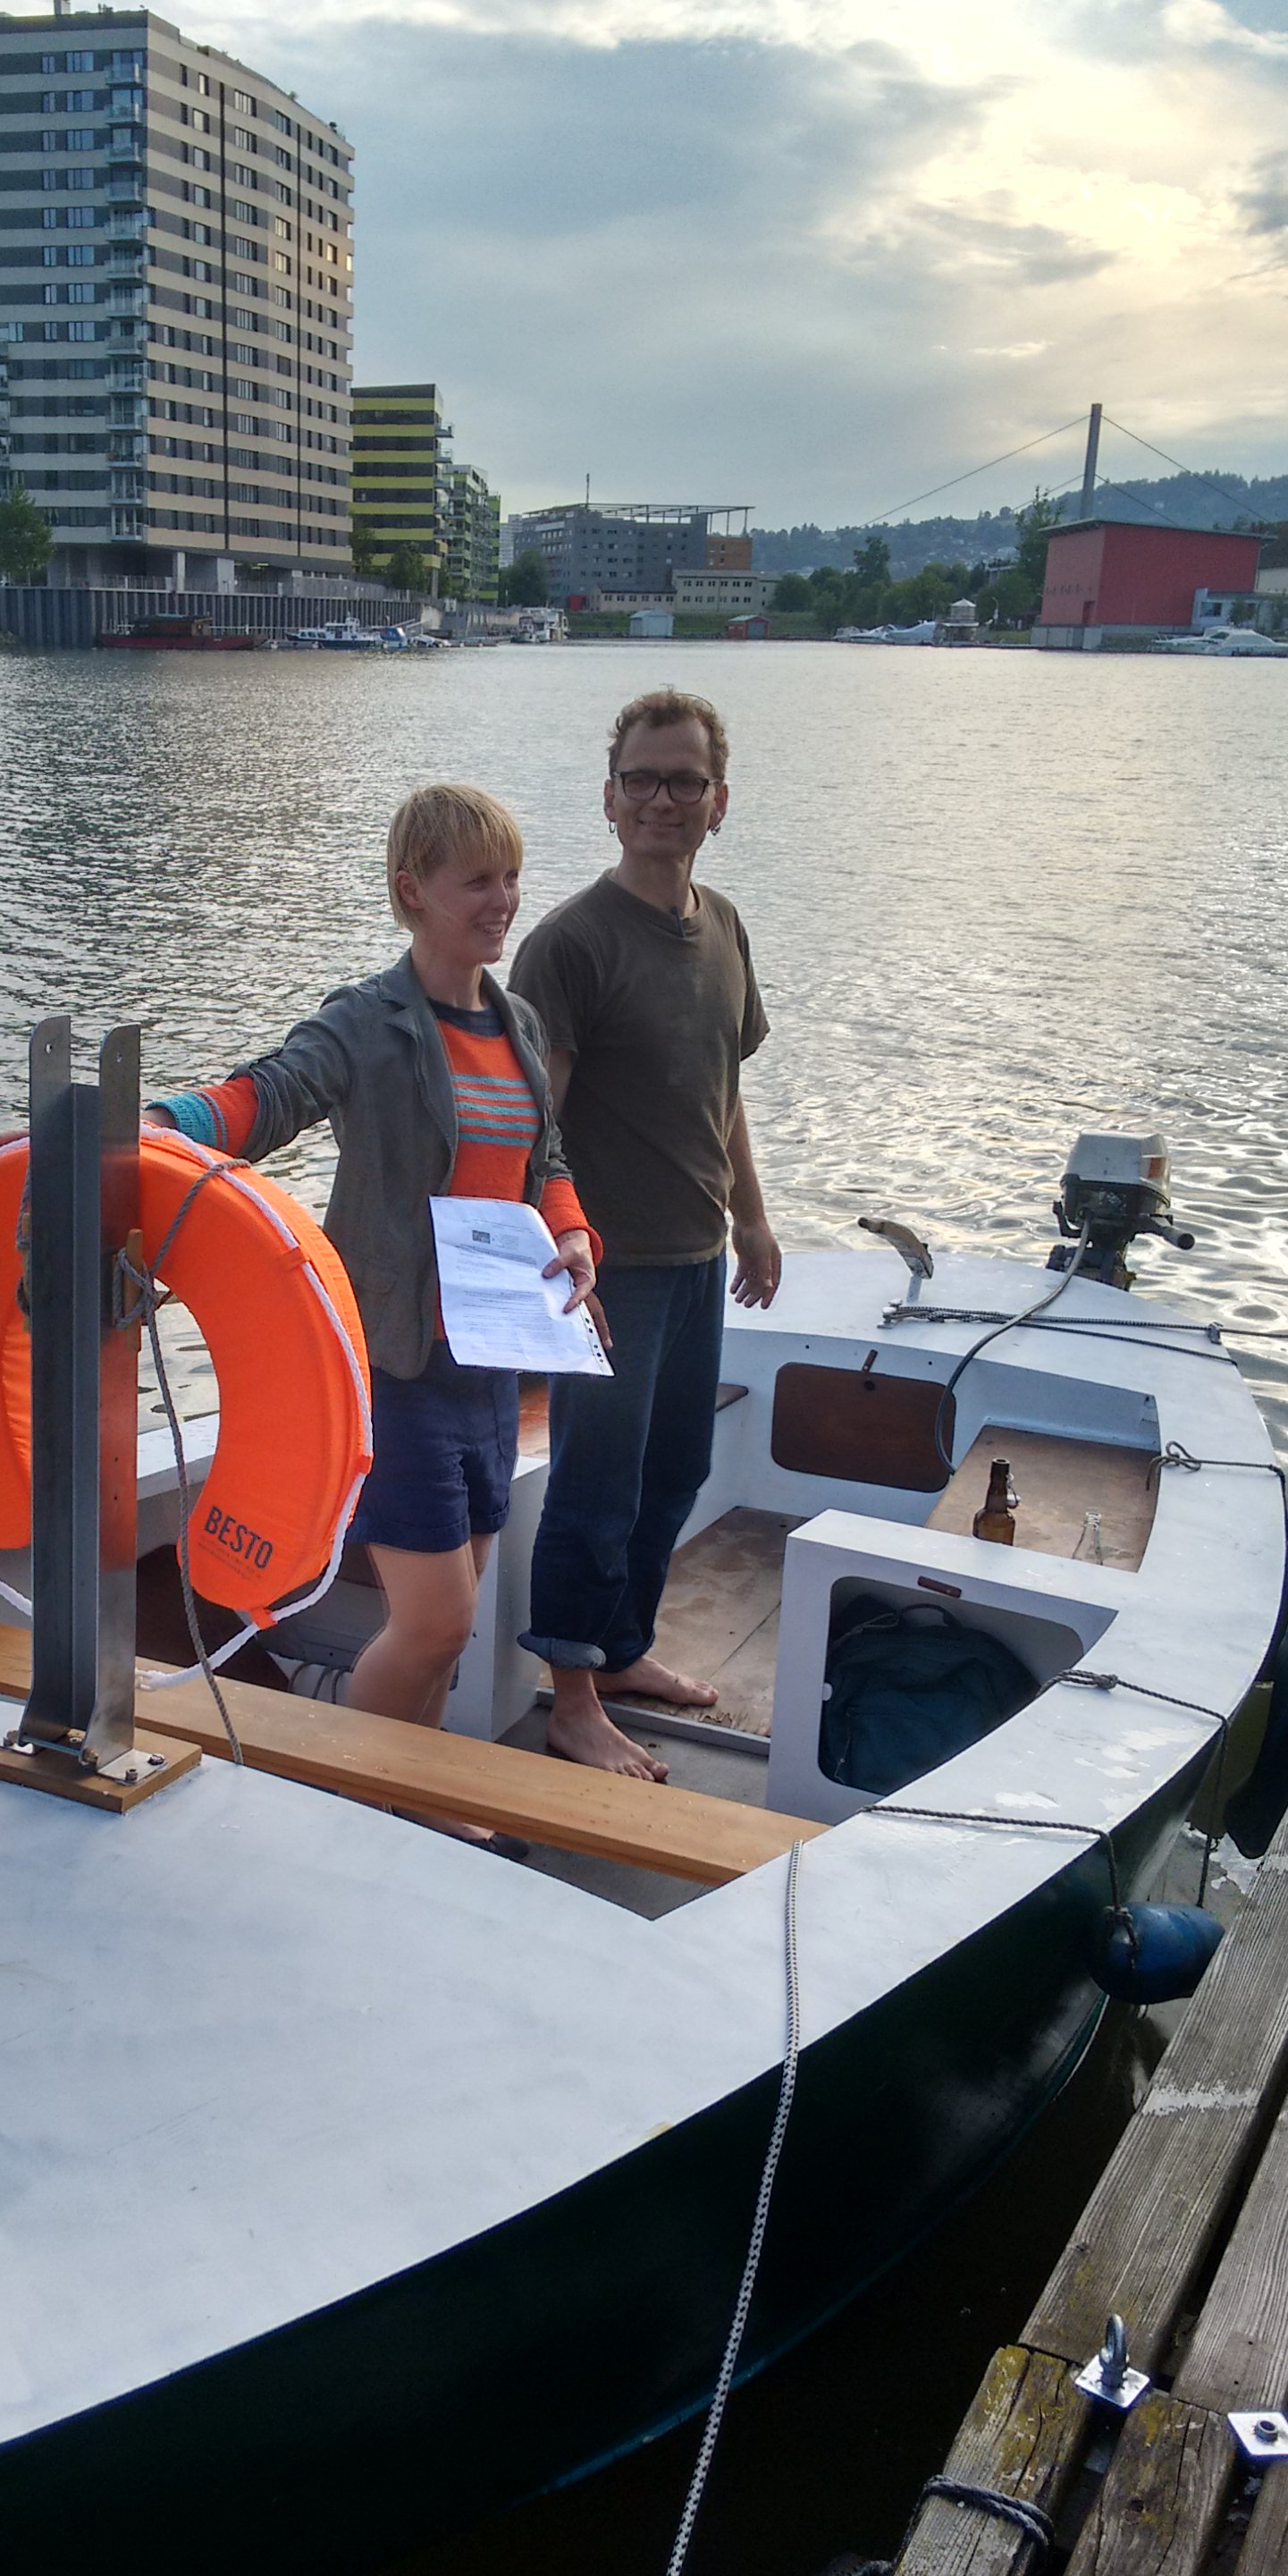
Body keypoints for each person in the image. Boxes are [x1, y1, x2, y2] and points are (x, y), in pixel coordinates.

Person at [144, 785, 598, 1786]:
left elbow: (548, 1158)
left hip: (489, 1366)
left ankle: (414, 1797)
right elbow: (271, 1092)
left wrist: (571, 1237)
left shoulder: (516, 1020)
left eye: (511, 876)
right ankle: (345, 1791)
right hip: (394, 1364)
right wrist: (153, 1125)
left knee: (448, 1622)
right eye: (477, 880)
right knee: (437, 1624)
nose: (503, 899)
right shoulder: (370, 1020)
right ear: (412, 891)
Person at [509, 689, 780, 1781]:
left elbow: (723, 1090)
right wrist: (554, 1256)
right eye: (641, 780)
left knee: (678, 1468)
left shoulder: (723, 927)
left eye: (684, 781)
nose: (662, 799)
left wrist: (752, 1216)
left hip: (696, 1255)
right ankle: (571, 1696)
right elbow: (534, 1127)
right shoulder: (569, 946)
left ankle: (621, 1656)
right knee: (596, 1483)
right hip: (602, 1270)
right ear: (609, 800)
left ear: (719, 802)